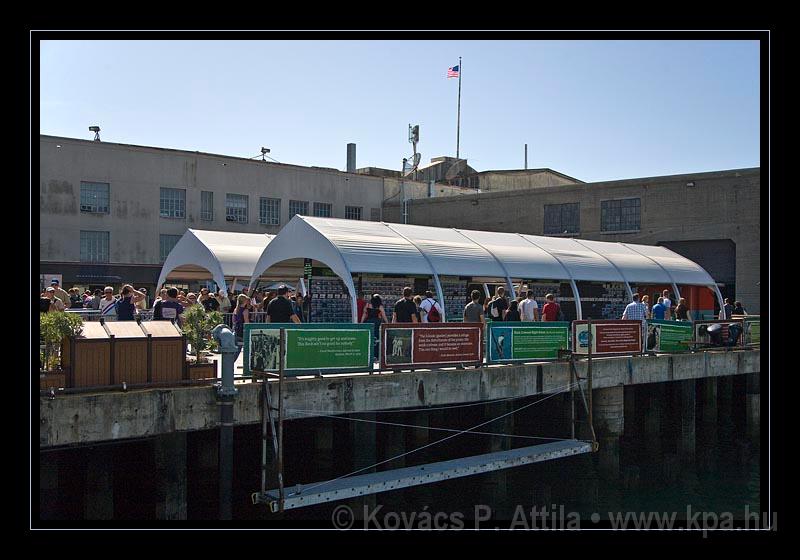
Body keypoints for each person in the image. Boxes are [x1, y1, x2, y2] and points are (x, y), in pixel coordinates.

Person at [362, 294, 388, 360]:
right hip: (377, 323)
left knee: (369, 339)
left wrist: (361, 323)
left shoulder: (367, 305)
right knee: (377, 339)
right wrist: (388, 324)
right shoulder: (380, 306)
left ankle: (369, 354)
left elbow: (364, 314)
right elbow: (384, 316)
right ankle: (376, 355)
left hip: (369, 323)